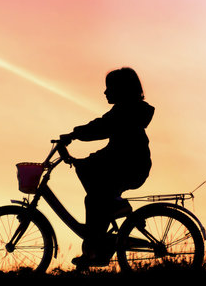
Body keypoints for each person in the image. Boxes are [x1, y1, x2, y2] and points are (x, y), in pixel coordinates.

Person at [60, 67, 155, 268]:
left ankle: (95, 249)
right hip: (123, 163)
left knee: (94, 199)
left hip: (129, 166)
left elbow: (102, 127)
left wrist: (74, 135)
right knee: (94, 193)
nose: (105, 92)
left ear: (120, 89)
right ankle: (101, 243)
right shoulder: (125, 110)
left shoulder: (126, 111)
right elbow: (108, 136)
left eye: (108, 88)